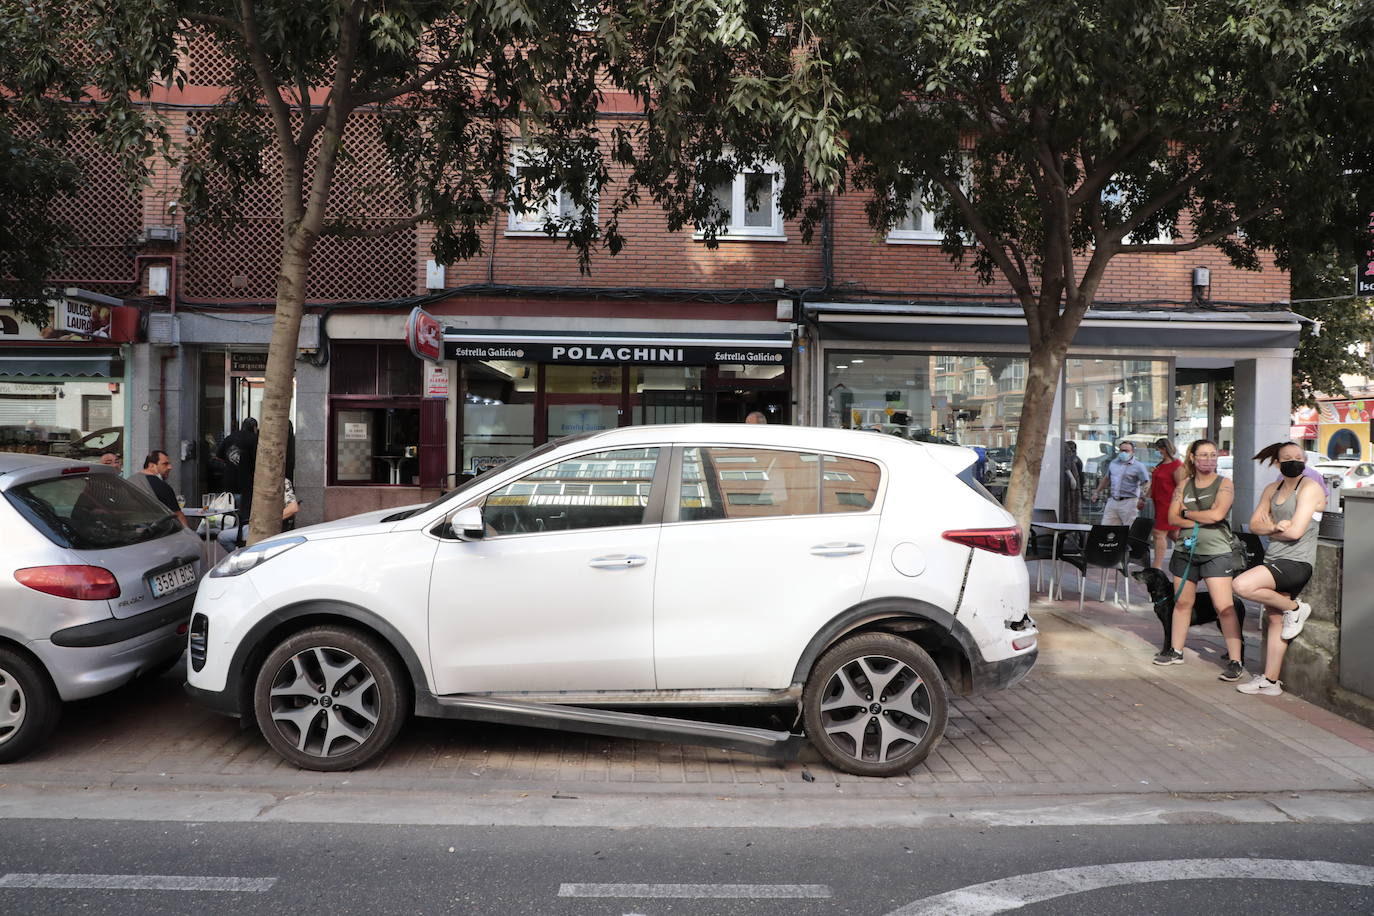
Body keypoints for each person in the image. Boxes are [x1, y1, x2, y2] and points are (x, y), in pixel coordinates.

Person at [1231, 442, 1322, 696]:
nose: (1294, 461)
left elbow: (1295, 531)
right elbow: (1254, 524)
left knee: (1241, 585)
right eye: (1287, 458)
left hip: (1297, 563)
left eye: (1298, 457)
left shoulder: (1310, 487)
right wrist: (1273, 528)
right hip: (1274, 558)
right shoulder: (1273, 488)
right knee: (1274, 618)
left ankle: (1296, 608)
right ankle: (1270, 682)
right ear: (1277, 463)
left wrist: (1276, 528)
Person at [1153, 439, 1245, 680]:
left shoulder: (1224, 484)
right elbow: (1172, 518)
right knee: (1182, 603)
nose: (1209, 459)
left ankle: (1236, 660)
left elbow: (1218, 514)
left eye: (1213, 455)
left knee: (1223, 607)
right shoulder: (1184, 484)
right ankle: (1176, 650)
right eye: (1203, 455)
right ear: (1192, 457)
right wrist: (1200, 518)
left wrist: (1188, 512)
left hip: (1216, 552)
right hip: (1186, 551)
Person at [218, 477, 299, 553]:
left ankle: (241, 559)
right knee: (224, 535)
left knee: (223, 537)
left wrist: (268, 521)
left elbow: (293, 508)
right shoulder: (256, 480)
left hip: (264, 527)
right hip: (253, 524)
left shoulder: (282, 482)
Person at [1093, 439, 1151, 525]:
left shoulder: (1138, 466)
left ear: (1132, 452)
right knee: (1106, 529)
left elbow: (1146, 482)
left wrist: (1142, 498)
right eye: (1122, 450)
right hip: (1113, 501)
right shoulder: (1113, 463)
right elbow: (1106, 479)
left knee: (1130, 530)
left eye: (1126, 451)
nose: (1123, 453)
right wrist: (1097, 492)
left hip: (1129, 502)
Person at [1149, 437, 1185, 571]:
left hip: (1169, 505)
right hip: (1159, 503)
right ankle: (1194, 554)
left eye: (1157, 449)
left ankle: (1156, 567)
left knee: (1158, 533)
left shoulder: (1177, 465)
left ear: (1164, 449)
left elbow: (1181, 487)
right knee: (1173, 534)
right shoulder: (1160, 465)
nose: (1156, 451)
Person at [131, 449, 189, 528]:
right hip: (154, 534)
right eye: (165, 464)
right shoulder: (161, 486)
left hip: (129, 532)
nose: (170, 467)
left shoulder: (129, 481)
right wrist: (189, 534)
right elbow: (178, 516)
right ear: (151, 466)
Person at [1060, 441, 1083, 524]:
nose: (1072, 452)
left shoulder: (1075, 460)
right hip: (1068, 483)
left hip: (1071, 483)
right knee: (1070, 505)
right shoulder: (1071, 458)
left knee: (1072, 505)